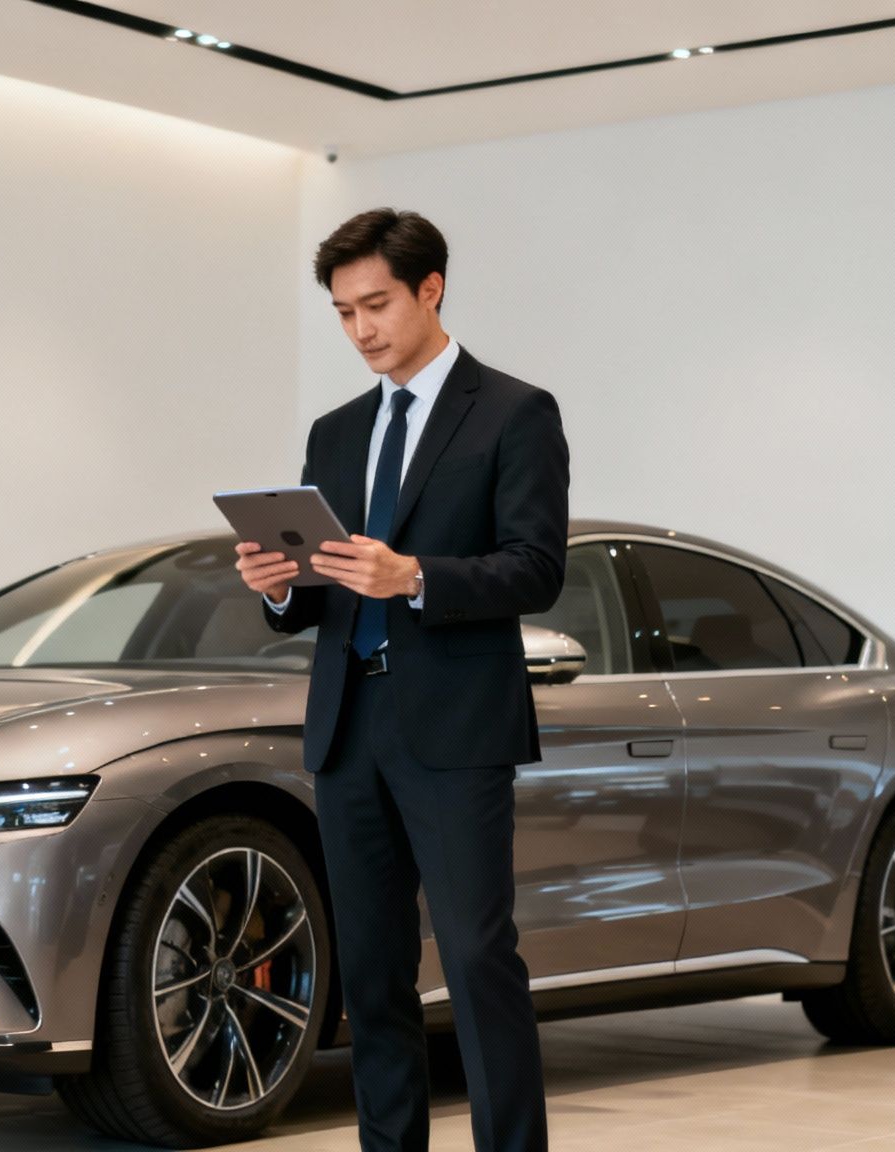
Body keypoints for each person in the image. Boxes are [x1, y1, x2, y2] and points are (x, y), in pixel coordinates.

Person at [235, 208, 568, 1152]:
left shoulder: (514, 411)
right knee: (372, 972)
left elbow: (538, 568)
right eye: (343, 313)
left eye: (375, 304)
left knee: (474, 958)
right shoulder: (335, 433)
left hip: (456, 729)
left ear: (431, 289)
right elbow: (313, 602)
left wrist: (416, 575)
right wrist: (275, 590)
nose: (361, 329)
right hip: (348, 726)